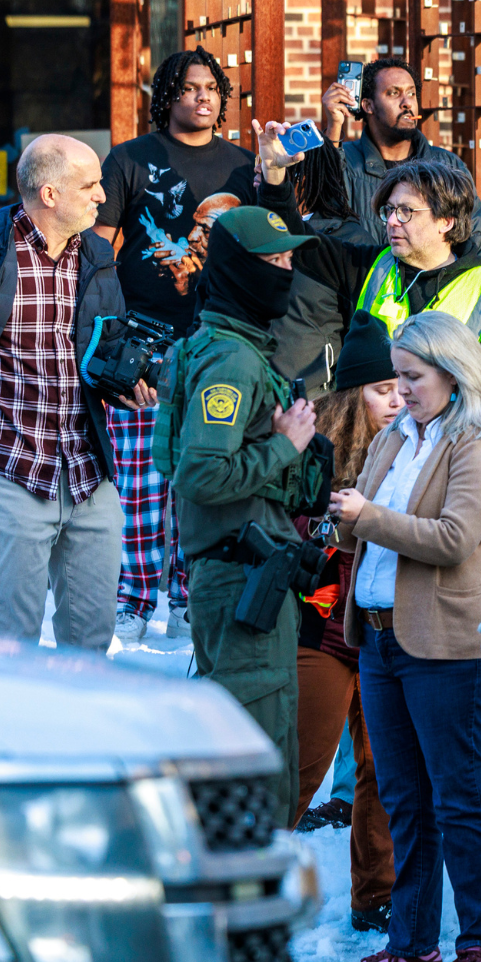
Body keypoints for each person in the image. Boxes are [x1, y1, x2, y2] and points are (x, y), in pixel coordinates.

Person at [328, 311, 481, 962]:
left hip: (447, 642)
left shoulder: (479, 440)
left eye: (413, 376)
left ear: (454, 373)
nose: (400, 390)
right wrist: (343, 518)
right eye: (397, 377)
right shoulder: (396, 436)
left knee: (457, 797)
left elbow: (455, 539)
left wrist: (368, 517)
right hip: (380, 636)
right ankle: (412, 945)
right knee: (403, 798)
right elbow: (365, 531)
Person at [163, 206, 333, 825]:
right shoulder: (232, 361)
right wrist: (284, 447)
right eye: (273, 260)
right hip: (243, 577)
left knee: (248, 747)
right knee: (256, 760)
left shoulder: (227, 347)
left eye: (289, 259)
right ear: (238, 269)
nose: (286, 271)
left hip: (244, 571)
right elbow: (200, 473)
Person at [96, 48, 254, 645]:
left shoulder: (243, 167)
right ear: (168, 96)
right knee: (138, 484)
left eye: (212, 86)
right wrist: (110, 337)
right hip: (140, 344)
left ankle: (191, 597)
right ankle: (134, 599)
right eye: (190, 87)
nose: (203, 96)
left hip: (216, 343)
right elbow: (97, 253)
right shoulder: (130, 158)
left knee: (200, 474)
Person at [0, 136, 139, 653]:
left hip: (88, 473)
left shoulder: (98, 254)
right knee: (11, 647)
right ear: (49, 194)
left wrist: (126, 382)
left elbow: (109, 342)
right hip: (11, 470)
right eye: (90, 185)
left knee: (91, 645)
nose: (102, 196)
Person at [251, 126, 481, 399]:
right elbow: (293, 239)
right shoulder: (371, 266)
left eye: (406, 211)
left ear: (446, 221)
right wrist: (273, 175)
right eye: (390, 210)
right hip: (372, 427)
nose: (392, 221)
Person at [290, 311, 401, 933]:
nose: (397, 400)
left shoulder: (412, 447)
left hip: (382, 632)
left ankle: (375, 897)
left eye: (402, 387)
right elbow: (288, 528)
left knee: (383, 772)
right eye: (383, 389)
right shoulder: (315, 452)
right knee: (303, 768)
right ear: (353, 393)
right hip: (321, 631)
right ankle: (242, 889)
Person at [319, 60, 481, 273]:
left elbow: (479, 243)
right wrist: (334, 127)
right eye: (393, 93)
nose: (407, 103)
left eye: (412, 93)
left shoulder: (448, 165)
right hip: (367, 289)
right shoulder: (345, 161)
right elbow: (326, 218)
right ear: (368, 106)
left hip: (436, 291)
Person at [273, 140, 380, 394]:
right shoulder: (253, 232)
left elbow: (364, 335)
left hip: (320, 401)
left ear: (306, 174)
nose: (260, 169)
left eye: (275, 164)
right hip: (260, 398)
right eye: (261, 162)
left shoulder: (351, 241)